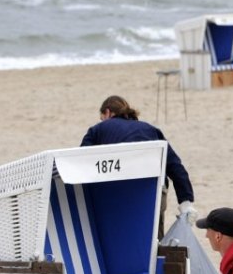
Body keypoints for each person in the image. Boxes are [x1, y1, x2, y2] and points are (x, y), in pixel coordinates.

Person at [81, 95, 196, 234]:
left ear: (107, 112)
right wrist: (186, 202)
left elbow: (83, 163)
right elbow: (175, 166)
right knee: (155, 239)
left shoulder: (98, 129)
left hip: (118, 191)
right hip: (155, 189)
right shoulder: (150, 129)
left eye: (102, 118)